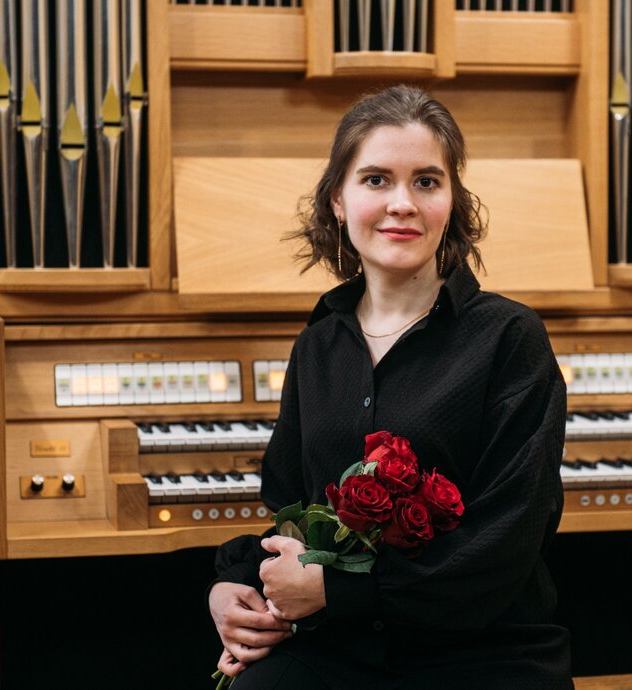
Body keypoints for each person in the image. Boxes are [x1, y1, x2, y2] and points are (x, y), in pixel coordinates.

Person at [208, 84, 571, 689]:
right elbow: (295, 513)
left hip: (479, 649)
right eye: (376, 179)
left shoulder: (509, 336)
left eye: (426, 181)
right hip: (341, 643)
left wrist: (342, 590)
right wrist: (235, 589)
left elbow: (511, 535)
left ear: (451, 202)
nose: (402, 203)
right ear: (338, 200)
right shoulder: (318, 345)